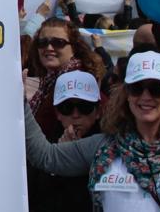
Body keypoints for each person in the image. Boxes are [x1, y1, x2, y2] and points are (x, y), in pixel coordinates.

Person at [25, 50, 160, 211]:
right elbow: (46, 156)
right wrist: (20, 101)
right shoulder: (102, 147)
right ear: (127, 94)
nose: (146, 96)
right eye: (137, 88)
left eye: (157, 89)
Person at [28, 70, 104, 211]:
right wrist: (58, 164)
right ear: (57, 113)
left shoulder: (108, 147)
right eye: (67, 108)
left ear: (98, 111)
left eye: (84, 107)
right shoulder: (43, 143)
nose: (75, 115)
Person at [26, 18, 108, 141]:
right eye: (42, 42)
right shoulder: (49, 80)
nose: (49, 47)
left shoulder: (79, 80)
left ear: (74, 47)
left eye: (58, 42)